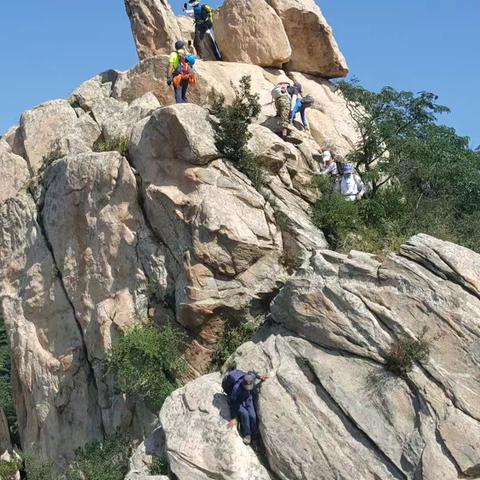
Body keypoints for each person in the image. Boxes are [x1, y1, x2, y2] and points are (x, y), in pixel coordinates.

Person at [223, 369, 267, 445]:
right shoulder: (236, 388)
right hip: (237, 401)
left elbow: (253, 373)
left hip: (247, 397)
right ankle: (247, 434)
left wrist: (260, 377)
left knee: (253, 416)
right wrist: (234, 417)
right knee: (245, 415)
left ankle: (254, 435)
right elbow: (233, 403)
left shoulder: (250, 377)